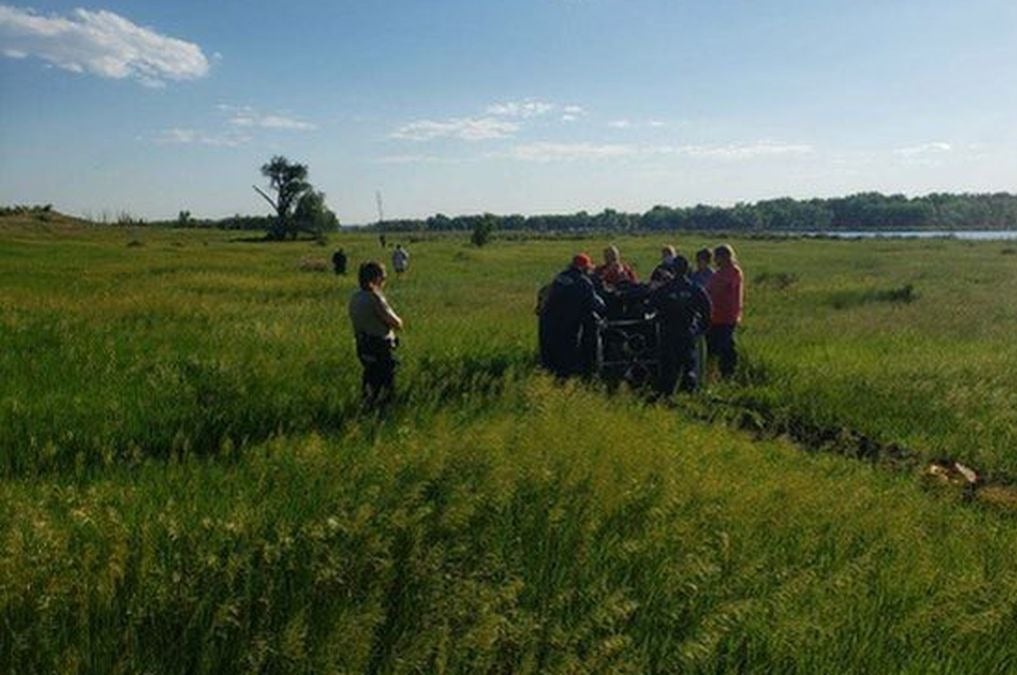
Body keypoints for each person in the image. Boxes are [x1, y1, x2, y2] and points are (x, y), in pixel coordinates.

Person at [650, 256, 712, 395]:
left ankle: (667, 393)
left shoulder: (664, 290)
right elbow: (707, 310)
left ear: (673, 269)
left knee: (669, 365)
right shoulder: (695, 289)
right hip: (687, 332)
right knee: (688, 364)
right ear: (687, 269)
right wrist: (700, 329)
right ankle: (689, 391)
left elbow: (650, 306)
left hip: (669, 333)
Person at [538, 253, 606, 378]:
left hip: (548, 327)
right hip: (567, 329)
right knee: (568, 364)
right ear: (584, 268)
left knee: (551, 363)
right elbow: (598, 305)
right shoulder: (583, 282)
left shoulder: (559, 278)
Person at [349, 261, 403, 409]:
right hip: (380, 348)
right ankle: (381, 417)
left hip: (363, 346)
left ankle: (367, 409)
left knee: (370, 381)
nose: (385, 280)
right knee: (386, 387)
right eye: (384, 277)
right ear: (377, 278)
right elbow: (395, 323)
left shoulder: (355, 297)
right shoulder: (375, 298)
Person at [705, 244, 744, 379]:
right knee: (713, 347)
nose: (715, 260)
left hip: (727, 316)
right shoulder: (719, 272)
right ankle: (713, 373)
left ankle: (728, 374)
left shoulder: (733, 272)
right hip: (715, 315)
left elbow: (718, 289)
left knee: (726, 347)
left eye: (717, 257)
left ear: (724, 257)